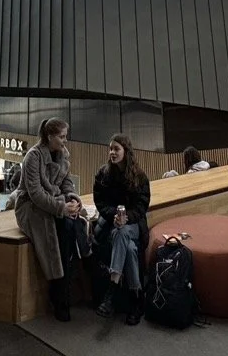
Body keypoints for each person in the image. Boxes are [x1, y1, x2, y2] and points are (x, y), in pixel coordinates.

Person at [13, 118, 85, 322]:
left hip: (55, 202)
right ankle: (60, 295)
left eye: (65, 136)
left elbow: (67, 182)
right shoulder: (33, 157)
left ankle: (64, 290)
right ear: (49, 136)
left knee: (72, 225)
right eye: (62, 137)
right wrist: (62, 208)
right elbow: (35, 194)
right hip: (30, 207)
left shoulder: (63, 155)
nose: (65, 140)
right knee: (60, 228)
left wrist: (71, 199)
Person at [91, 135, 151, 323]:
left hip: (134, 225)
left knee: (123, 232)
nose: (112, 152)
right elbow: (100, 202)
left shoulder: (140, 177)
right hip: (112, 225)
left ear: (126, 151)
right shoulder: (103, 174)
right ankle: (136, 299)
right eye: (110, 149)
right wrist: (114, 217)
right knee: (130, 248)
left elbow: (141, 206)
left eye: (116, 149)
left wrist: (127, 219)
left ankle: (112, 287)